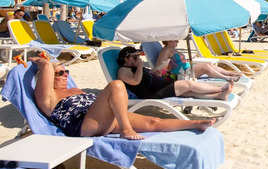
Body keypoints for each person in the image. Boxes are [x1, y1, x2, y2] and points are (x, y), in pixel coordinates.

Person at [30, 56, 214, 140]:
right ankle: (127, 129)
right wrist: (41, 62)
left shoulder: (75, 89)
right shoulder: (49, 98)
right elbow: (46, 66)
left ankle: (197, 123)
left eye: (66, 72)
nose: (65, 75)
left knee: (153, 121)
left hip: (103, 118)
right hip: (84, 126)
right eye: (60, 73)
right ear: (47, 79)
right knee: (116, 85)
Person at [117, 46, 232, 101]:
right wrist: (140, 66)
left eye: (138, 56)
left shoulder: (135, 67)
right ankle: (220, 89)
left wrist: (160, 72)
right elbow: (135, 81)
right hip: (152, 93)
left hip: (160, 86)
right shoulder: (123, 71)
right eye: (134, 57)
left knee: (188, 92)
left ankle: (218, 96)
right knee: (187, 84)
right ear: (126, 59)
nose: (137, 58)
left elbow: (148, 76)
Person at [154, 41, 242, 83]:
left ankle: (230, 73)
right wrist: (167, 64)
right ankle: (228, 78)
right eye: (175, 38)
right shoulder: (165, 50)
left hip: (187, 69)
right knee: (205, 67)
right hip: (182, 74)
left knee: (208, 64)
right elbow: (159, 66)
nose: (177, 40)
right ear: (169, 39)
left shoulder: (172, 49)